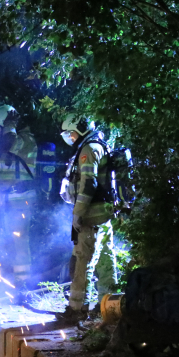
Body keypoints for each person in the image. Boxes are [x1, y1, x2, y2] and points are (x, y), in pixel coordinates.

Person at [57, 115, 117, 323]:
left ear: (79, 129)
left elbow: (88, 184)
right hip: (104, 214)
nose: (70, 138)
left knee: (84, 260)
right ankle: (108, 306)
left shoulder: (88, 149)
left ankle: (77, 310)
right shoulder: (97, 144)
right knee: (106, 261)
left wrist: (78, 213)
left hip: (91, 215)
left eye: (70, 133)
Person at [0, 105, 39, 291]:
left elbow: (9, 143)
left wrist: (9, 126)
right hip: (5, 203)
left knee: (20, 245)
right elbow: (2, 175)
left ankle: (23, 285)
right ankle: (3, 283)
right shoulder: (7, 144)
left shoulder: (26, 141)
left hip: (20, 203)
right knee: (2, 242)